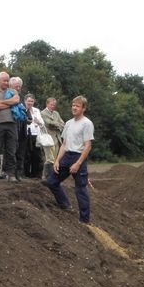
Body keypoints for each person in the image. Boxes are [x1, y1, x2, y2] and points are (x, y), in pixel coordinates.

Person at [45, 96, 94, 224]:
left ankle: (84, 220)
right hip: (67, 156)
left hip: (79, 157)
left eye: (77, 106)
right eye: (73, 105)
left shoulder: (87, 123)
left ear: (83, 108)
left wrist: (78, 164)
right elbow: (64, 144)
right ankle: (65, 204)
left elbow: (88, 146)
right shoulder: (68, 123)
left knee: (80, 189)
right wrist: (57, 161)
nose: (74, 108)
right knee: (51, 182)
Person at [41, 97, 64, 181]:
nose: (53, 106)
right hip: (48, 139)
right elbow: (49, 123)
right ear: (47, 104)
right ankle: (44, 176)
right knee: (49, 158)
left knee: (55, 158)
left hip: (57, 138)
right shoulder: (43, 113)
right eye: (51, 104)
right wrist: (58, 124)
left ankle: (52, 176)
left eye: (54, 105)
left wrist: (57, 125)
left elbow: (62, 123)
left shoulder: (56, 113)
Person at [24, 94, 45, 178]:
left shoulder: (36, 110)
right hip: (27, 134)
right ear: (25, 101)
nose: (30, 103)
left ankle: (35, 173)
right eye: (28, 101)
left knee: (36, 155)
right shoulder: (23, 110)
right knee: (27, 155)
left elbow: (42, 123)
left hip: (36, 135)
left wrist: (37, 122)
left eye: (32, 101)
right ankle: (26, 173)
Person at [9, 76, 26, 182]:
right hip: (12, 127)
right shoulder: (8, 97)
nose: (18, 88)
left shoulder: (21, 98)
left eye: (19, 86)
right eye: (16, 86)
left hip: (22, 129)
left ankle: (19, 173)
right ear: (11, 86)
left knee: (21, 152)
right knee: (12, 152)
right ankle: (10, 173)